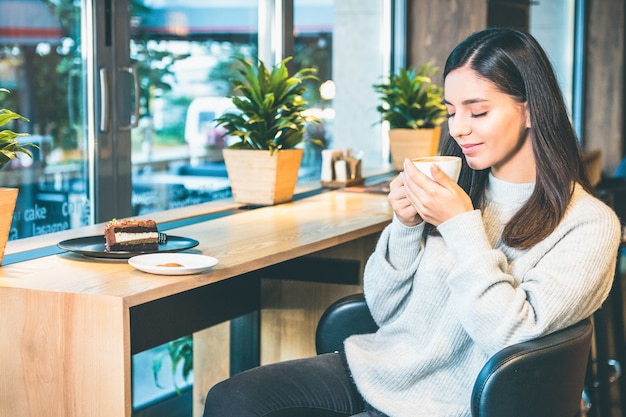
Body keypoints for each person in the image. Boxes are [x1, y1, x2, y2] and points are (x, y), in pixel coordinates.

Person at [202, 27, 621, 417]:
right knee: (232, 399)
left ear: (531, 111)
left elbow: (508, 338)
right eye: (451, 111)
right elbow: (385, 312)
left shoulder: (588, 225)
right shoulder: (460, 189)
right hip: (380, 368)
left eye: (478, 112)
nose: (458, 128)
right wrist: (403, 226)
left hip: (449, 402)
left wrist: (461, 226)